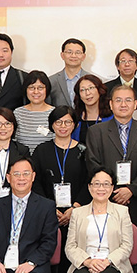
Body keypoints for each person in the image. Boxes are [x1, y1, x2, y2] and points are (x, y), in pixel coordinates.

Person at [85, 85, 137, 229]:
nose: (123, 104)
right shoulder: (96, 132)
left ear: (135, 104)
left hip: (136, 200)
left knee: (136, 240)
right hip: (106, 198)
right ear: (111, 104)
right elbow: (92, 163)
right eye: (118, 100)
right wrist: (112, 190)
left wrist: (131, 190)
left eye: (128, 100)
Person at [32, 106, 90, 252]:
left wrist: (75, 208)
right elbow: (35, 182)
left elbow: (89, 181)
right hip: (48, 214)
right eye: (58, 122)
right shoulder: (41, 150)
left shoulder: (84, 151)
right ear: (52, 124)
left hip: (78, 213)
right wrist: (49, 207)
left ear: (75, 125)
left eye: (67, 122)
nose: (63, 126)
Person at [13, 70, 55, 154]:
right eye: (31, 87)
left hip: (47, 159)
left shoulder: (54, 113)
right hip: (22, 159)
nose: (36, 92)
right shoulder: (18, 113)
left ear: (47, 89)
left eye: (40, 88)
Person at [48, 38, 92, 109]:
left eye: (78, 52)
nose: (73, 56)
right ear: (62, 55)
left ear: (83, 56)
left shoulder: (93, 80)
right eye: (69, 52)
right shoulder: (51, 81)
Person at [70, 74, 109, 143]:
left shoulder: (111, 117)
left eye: (91, 88)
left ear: (99, 90)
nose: (87, 93)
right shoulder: (75, 118)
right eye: (82, 90)